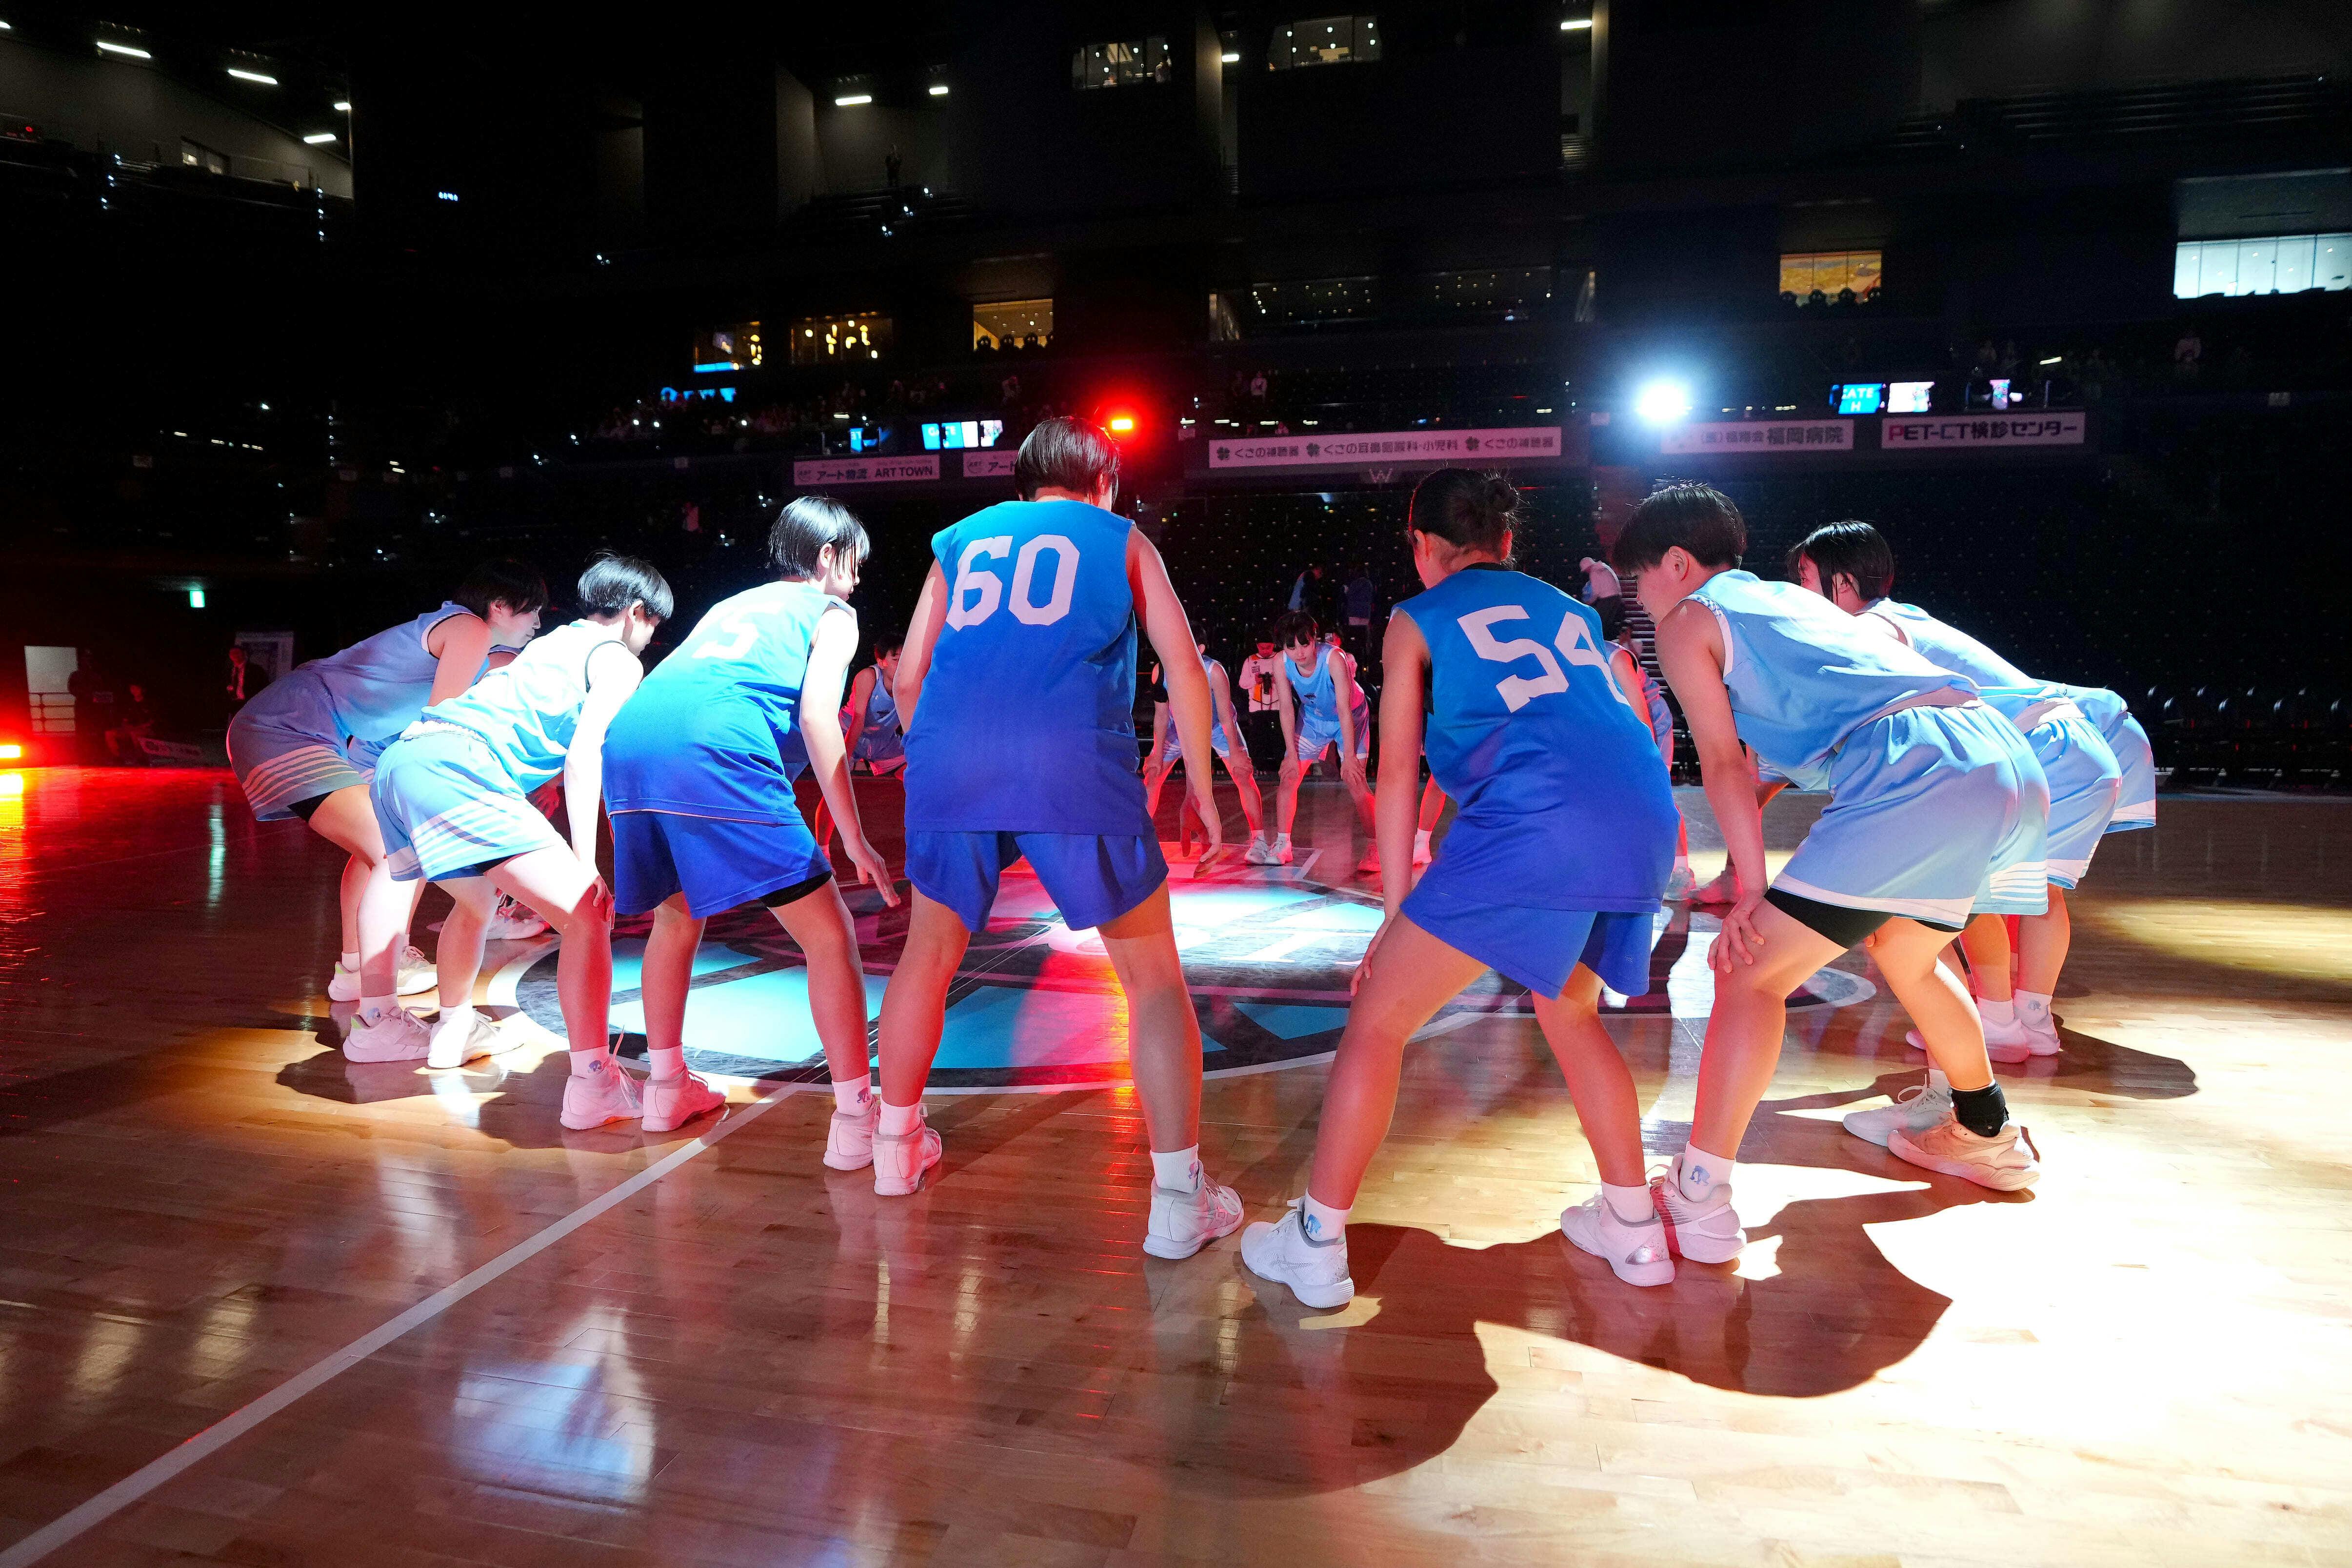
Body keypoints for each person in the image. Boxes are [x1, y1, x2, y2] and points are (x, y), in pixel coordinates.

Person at [1242, 470, 1679, 1304]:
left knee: (1379, 1018)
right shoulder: (1573, 609)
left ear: (1420, 544)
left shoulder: (1415, 617)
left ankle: (1315, 1242)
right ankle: (1633, 1227)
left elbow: (1395, 771)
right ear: (1506, 541)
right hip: (1641, 813)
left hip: (1538, 817)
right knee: (1570, 1010)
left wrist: (1394, 912)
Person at [875, 417, 1244, 1261]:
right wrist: (1200, 785)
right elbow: (1183, 668)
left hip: (951, 756)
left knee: (926, 956)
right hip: (1069, 754)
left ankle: (894, 1147)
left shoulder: (958, 540)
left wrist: (942, 757)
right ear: (1103, 482)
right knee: (1152, 980)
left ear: (1023, 481)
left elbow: (907, 676)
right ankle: (1178, 1199)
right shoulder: (1120, 538)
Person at [1617, 484, 2047, 1207]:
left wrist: (1750, 890)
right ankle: (1985, 1131)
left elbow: (1723, 764)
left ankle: (1697, 1193)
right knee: (1907, 952)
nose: (1639, 597)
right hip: (1999, 754)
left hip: (1920, 768)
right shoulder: (1792, 600)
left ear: (1677, 563)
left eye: (1638, 579)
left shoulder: (1690, 618)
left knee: (1749, 971)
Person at [601, 501, 899, 1143]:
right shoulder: (831, 613)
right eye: (853, 564)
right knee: (828, 936)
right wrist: (852, 835)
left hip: (629, 743)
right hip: (713, 747)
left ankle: (665, 1087)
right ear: (826, 555)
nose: (856, 581)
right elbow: (820, 718)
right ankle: (857, 1119)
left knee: (676, 918)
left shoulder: (731, 604)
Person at [1783, 523, 2120, 1076]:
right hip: (2075, 745)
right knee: (2032, 894)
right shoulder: (1906, 615)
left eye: (1804, 577)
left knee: (1955, 892)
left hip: (2036, 748)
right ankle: (2027, 1022)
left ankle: (1995, 1025)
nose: (1798, 592)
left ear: (1841, 582)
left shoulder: (1870, 628)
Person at [356, 557, 669, 1135]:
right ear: (635, 612)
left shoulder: (551, 643)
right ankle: (595, 1082)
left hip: (403, 762)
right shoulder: (618, 659)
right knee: (586, 914)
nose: (650, 638)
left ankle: (454, 1027)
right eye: (653, 625)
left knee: (477, 900)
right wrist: (585, 863)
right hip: (458, 767)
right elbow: (584, 755)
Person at [228, 561, 547, 1007]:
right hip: (288, 727)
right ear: (499, 606)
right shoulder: (471, 629)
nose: (538, 622)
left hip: (292, 726)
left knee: (384, 848)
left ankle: (358, 970)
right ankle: (379, 1010)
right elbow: (442, 725)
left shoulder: (460, 633)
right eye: (533, 610)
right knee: (393, 850)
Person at [1596, 595, 1696, 899]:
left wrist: (1646, 761)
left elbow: (1643, 719)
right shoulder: (1568, 658)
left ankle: (1680, 870)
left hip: (1650, 722)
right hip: (1616, 726)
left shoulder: (1614, 656)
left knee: (1655, 792)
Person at [1268, 611, 1375, 871]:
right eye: (1291, 647)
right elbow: (1286, 708)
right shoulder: (1280, 662)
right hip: (1313, 720)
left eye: (1305, 644)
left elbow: (1344, 709)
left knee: (1355, 779)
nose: (1299, 653)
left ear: (1315, 638)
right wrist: (1291, 755)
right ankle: (1283, 844)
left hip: (1351, 717)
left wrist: (1349, 757)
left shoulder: (1334, 659)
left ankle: (1377, 846)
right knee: (1289, 776)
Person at [1143, 640, 1267, 860]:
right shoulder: (1161, 670)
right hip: (1179, 728)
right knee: (1153, 774)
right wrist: (1156, 753)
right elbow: (1161, 715)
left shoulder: (1214, 671)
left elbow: (1226, 716)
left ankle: (1259, 841)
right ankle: (1139, 838)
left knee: (1242, 774)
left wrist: (1235, 751)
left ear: (1200, 649)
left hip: (1216, 727)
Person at [809, 633, 906, 856]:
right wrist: (844, 761)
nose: (902, 663)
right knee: (837, 792)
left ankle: (930, 833)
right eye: (896, 658)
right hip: (848, 733)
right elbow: (858, 720)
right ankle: (823, 852)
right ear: (882, 662)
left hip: (883, 740)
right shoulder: (868, 677)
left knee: (919, 777)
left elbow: (910, 722)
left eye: (905, 657)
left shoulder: (911, 681)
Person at [1236, 632, 1285, 773]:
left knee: (1278, 738)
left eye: (1268, 648)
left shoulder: (1280, 658)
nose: (1265, 651)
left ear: (1273, 646)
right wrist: (1255, 680)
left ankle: (1282, 767)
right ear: (1257, 646)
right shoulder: (1250, 661)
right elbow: (1242, 683)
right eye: (1262, 648)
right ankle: (1258, 767)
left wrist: (1277, 679)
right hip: (1257, 707)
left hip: (1277, 706)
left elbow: (1291, 680)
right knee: (1258, 738)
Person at [224, 645, 270, 714]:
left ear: (244, 653)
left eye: (237, 653)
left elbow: (264, 686)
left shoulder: (255, 669)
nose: (235, 655)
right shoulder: (229, 671)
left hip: (251, 704)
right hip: (234, 704)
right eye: (232, 653)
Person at [1342, 565, 1375, 664]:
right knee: (1363, 636)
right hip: (1365, 614)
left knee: (1355, 635)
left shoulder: (1355, 583)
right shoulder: (1369, 584)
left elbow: (1349, 596)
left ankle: (1355, 656)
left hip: (1354, 613)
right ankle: (1364, 655)